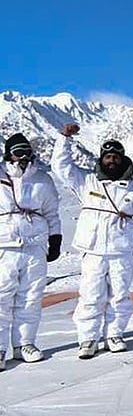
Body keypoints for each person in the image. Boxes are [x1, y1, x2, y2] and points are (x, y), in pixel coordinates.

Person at [52, 123, 133, 359]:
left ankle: (115, 334)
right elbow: (60, 166)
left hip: (122, 248)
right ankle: (88, 338)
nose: (112, 161)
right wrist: (65, 139)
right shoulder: (86, 181)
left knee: (120, 294)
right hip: (93, 248)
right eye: (108, 156)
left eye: (115, 157)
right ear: (101, 158)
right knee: (91, 294)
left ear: (122, 159)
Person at [0, 134, 61, 369]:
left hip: (35, 244)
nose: (23, 157)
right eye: (17, 152)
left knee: (31, 297)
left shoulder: (42, 179)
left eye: (26, 151)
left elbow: (52, 212)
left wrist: (55, 239)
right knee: (2, 297)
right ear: (9, 154)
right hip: (5, 244)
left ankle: (24, 343)